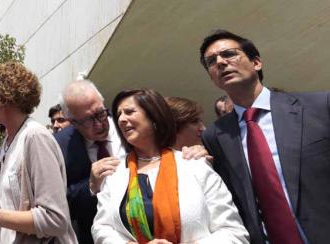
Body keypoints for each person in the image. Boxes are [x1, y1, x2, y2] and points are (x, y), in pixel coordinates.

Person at [199, 29, 330, 244]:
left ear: (256, 63)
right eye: (211, 61)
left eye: (229, 54)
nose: (220, 62)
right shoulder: (215, 136)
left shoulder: (319, 107)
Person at [92, 89, 248, 243]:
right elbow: (102, 228)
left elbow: (233, 232)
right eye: (119, 114)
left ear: (154, 118)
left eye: (129, 112)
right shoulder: (116, 175)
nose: (121, 119)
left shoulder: (194, 165)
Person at [0, 62, 77, 244]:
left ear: (5, 98)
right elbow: (21, 207)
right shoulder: (9, 141)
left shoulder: (35, 137)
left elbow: (55, 219)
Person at [54, 79, 124, 244]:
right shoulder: (59, 147)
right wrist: (90, 186)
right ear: (72, 122)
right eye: (87, 120)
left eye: (101, 113)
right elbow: (60, 206)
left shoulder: (130, 125)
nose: (99, 124)